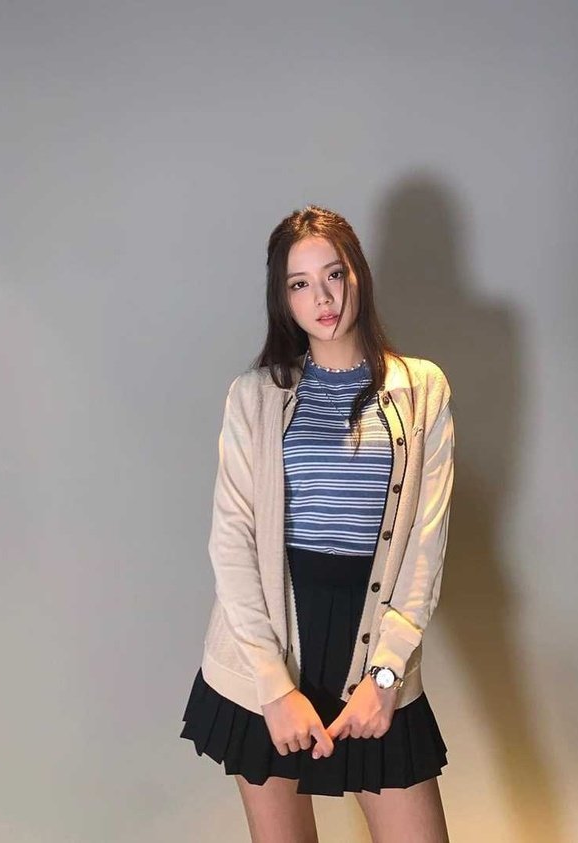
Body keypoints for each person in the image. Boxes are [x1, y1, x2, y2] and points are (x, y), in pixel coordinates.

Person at [180, 205, 455, 842]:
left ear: (359, 274)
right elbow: (232, 543)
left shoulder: (423, 389)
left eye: (334, 275)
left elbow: (425, 545)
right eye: (300, 284)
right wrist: (273, 686)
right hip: (269, 644)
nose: (322, 298)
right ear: (283, 298)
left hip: (372, 639)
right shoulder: (254, 395)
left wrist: (385, 675)